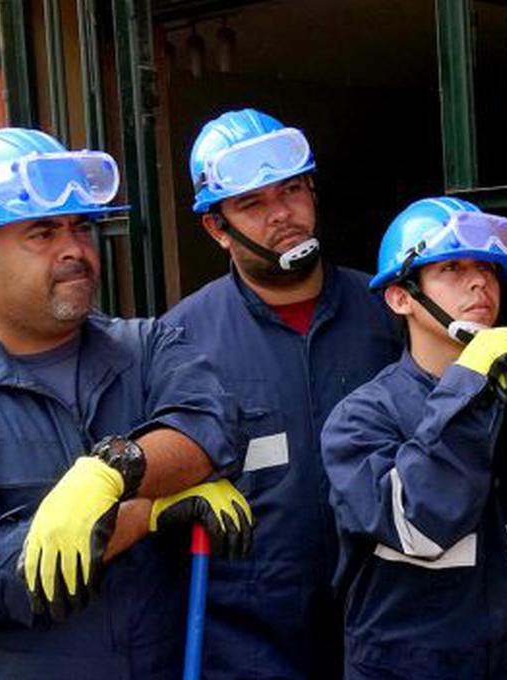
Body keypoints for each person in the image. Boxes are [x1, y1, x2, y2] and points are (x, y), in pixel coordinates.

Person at [0, 127, 253, 679]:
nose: (74, 249)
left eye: (81, 227)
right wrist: (148, 512)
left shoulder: (147, 347)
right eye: (43, 233)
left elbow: (210, 427)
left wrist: (116, 467)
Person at [320, 196, 507, 680]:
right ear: (401, 297)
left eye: (486, 267)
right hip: (405, 666)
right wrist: (468, 387)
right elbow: (420, 526)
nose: (479, 281)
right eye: (451, 267)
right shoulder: (359, 419)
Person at [160, 108, 402, 679]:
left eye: (291, 190)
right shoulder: (181, 340)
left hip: (381, 618)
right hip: (246, 641)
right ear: (215, 228)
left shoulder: (386, 313)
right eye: (252, 203)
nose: (282, 215)